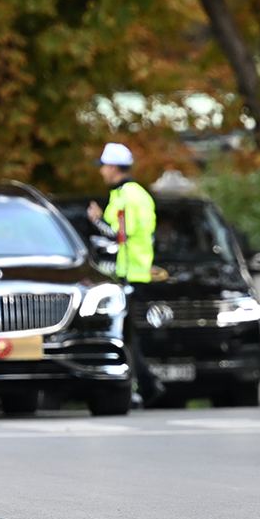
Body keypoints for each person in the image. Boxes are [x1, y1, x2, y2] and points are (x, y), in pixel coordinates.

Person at [86, 143, 164, 405]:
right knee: (129, 337)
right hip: (134, 273)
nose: (102, 173)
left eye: (104, 167)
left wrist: (96, 220)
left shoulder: (127, 197)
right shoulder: (136, 194)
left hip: (131, 276)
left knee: (126, 337)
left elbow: (121, 235)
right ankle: (144, 386)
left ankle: (146, 386)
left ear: (113, 167)